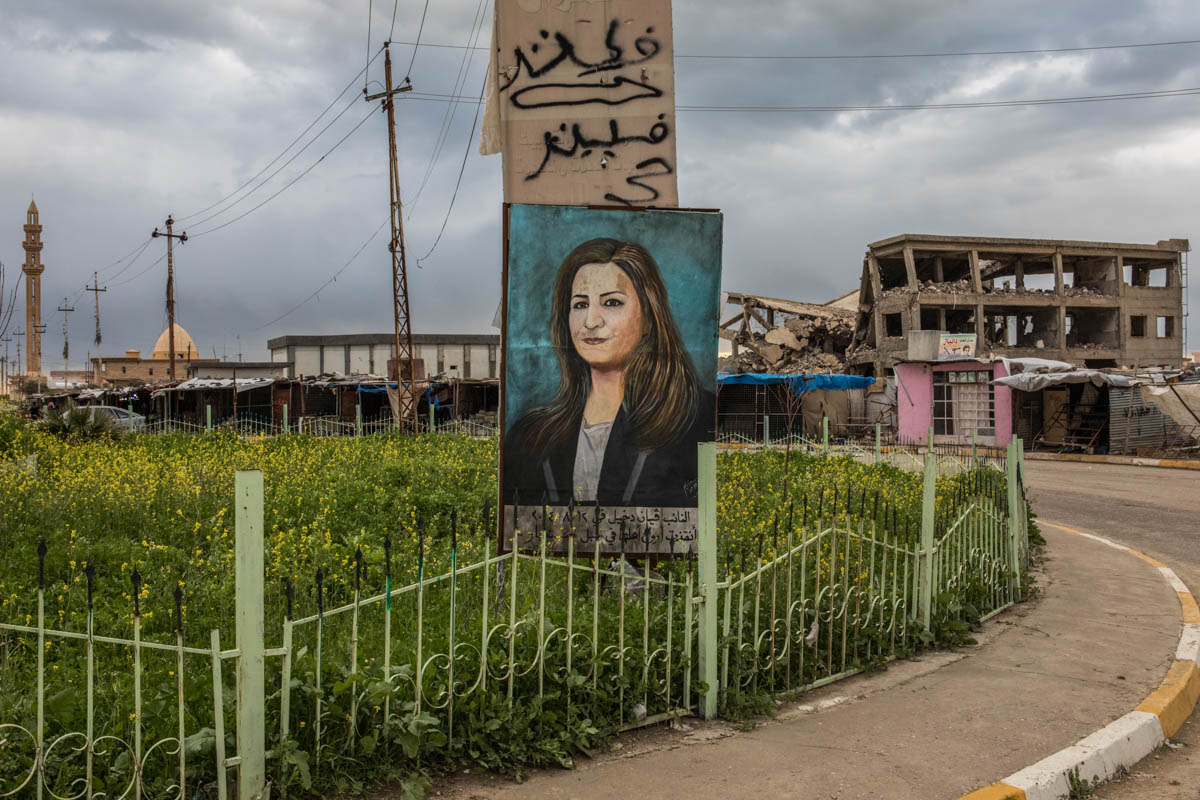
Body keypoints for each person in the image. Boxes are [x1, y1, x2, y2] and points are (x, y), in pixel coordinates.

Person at [504, 237, 715, 510]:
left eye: (612, 303)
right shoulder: (531, 433)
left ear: (649, 317)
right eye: (580, 305)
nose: (591, 322)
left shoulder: (696, 416)